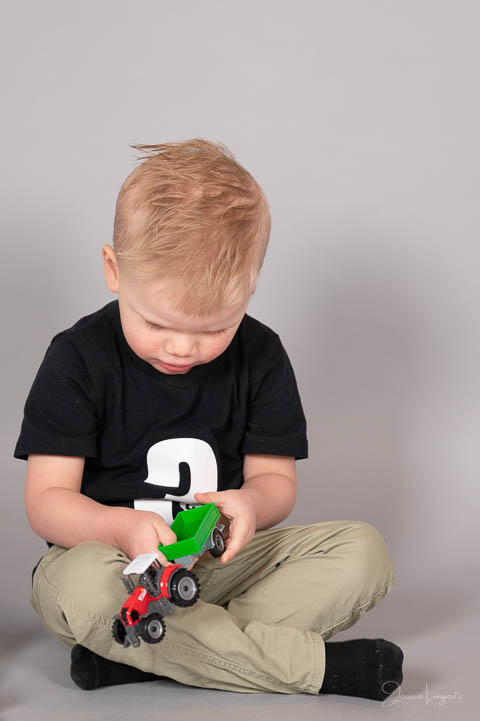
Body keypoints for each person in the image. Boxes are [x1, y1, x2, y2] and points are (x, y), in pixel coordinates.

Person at [14, 138, 403, 700]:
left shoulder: (262, 356)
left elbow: (275, 481)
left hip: (216, 569)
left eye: (215, 329)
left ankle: (146, 656)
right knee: (78, 587)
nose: (181, 348)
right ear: (114, 270)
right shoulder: (78, 358)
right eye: (156, 323)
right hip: (114, 566)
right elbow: (47, 503)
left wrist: (252, 503)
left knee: (364, 553)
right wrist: (119, 528)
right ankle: (313, 668)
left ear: (249, 290)